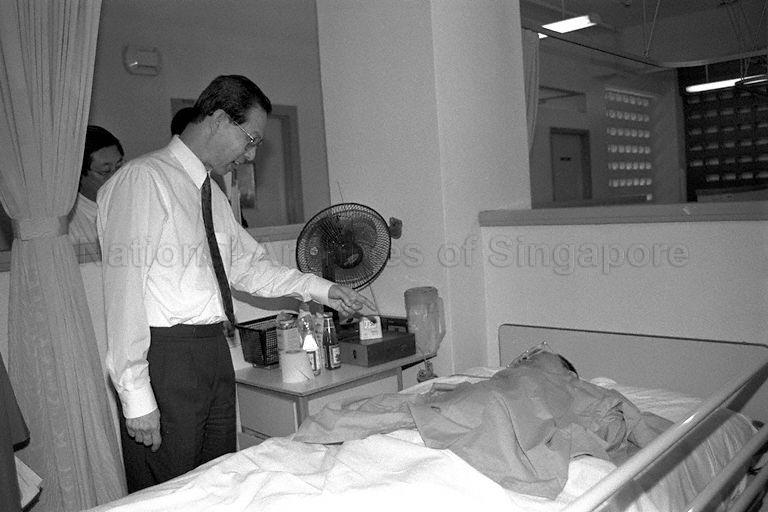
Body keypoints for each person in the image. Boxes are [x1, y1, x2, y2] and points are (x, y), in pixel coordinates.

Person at [97, 74, 374, 492]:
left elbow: (248, 268)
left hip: (212, 352)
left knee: (220, 484)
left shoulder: (210, 193)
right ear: (219, 118)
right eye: (250, 140)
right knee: (169, 493)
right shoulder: (143, 180)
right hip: (167, 358)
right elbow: (122, 296)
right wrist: (136, 397)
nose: (249, 157)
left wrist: (323, 289)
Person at [68, 125, 124, 250]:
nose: (116, 177)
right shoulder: (67, 222)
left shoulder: (135, 205)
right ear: (79, 174)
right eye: (106, 171)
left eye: (119, 167)